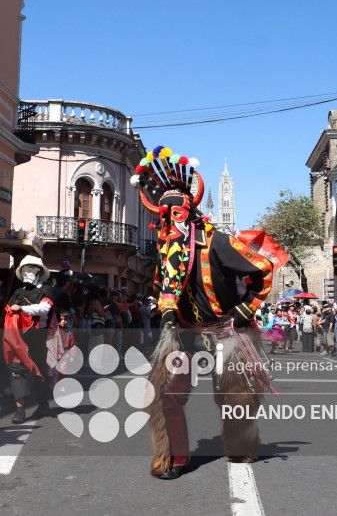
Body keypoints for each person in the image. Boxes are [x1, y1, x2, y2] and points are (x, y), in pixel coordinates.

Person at [135, 146, 278, 480]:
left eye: (176, 213)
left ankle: (240, 444)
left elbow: (263, 269)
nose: (169, 221)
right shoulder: (165, 247)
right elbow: (163, 284)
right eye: (164, 216)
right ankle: (175, 457)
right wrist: (167, 312)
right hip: (184, 331)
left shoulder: (218, 243)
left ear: (190, 211)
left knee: (234, 396)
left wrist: (244, 310)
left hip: (224, 329)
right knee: (165, 393)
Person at [3, 255, 57, 424]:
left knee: (38, 370)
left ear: (39, 272)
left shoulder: (46, 290)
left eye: (31, 268)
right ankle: (20, 410)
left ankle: (43, 403)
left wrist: (22, 309)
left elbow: (44, 308)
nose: (28, 272)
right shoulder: (18, 292)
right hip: (17, 336)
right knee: (16, 370)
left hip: (37, 336)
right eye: (25, 268)